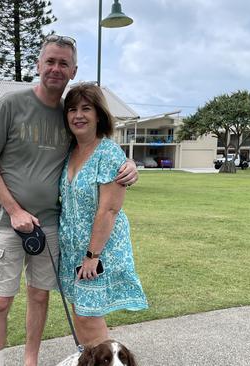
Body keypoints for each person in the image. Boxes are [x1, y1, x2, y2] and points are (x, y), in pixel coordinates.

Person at [0, 35, 138, 366]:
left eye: (63, 63)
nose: (55, 68)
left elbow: (103, 159)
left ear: (73, 70)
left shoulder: (71, 118)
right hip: (10, 223)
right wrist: (15, 210)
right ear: (38, 64)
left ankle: (30, 362)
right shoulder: (11, 105)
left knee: (42, 297)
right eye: (50, 61)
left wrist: (131, 165)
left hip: (52, 228)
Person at [58, 83, 148, 347]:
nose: (78, 115)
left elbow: (109, 209)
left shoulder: (108, 153)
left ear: (99, 114)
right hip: (74, 252)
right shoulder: (70, 152)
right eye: (72, 109)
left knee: (88, 317)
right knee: (80, 312)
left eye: (86, 108)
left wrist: (91, 256)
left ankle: (104, 361)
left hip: (97, 253)